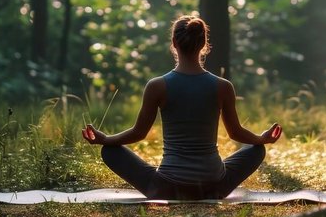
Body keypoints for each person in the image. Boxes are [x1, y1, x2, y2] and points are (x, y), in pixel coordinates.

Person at [82, 15, 282, 200]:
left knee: (110, 151)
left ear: (174, 44)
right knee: (256, 150)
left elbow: (138, 133)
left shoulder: (157, 86)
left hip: (167, 188)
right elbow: (236, 132)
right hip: (214, 186)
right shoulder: (223, 86)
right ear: (204, 44)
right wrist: (261, 139)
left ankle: (162, 185)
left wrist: (106, 140)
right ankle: (211, 186)